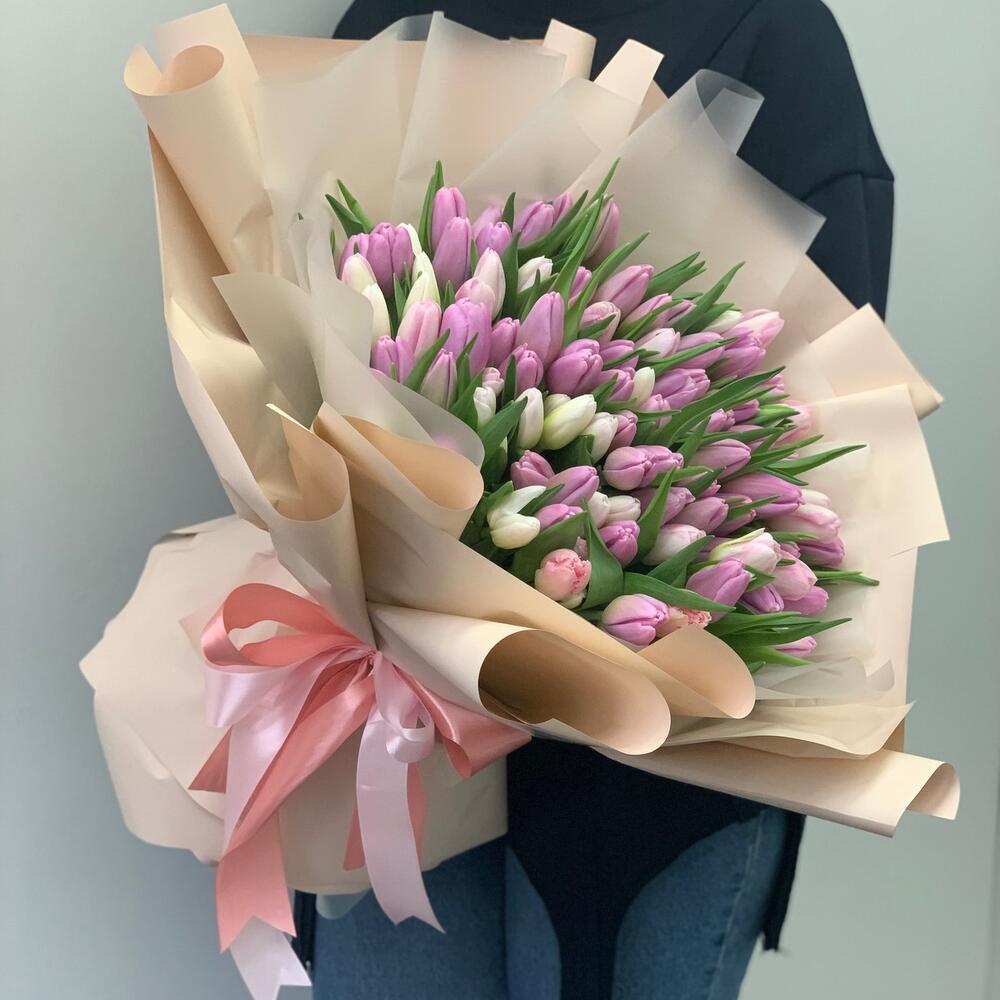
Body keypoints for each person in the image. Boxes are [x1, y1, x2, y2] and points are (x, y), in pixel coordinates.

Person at [299, 2, 894, 997]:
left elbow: (818, 451)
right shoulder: (390, 22)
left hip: (663, 758)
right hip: (396, 720)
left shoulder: (776, 46)